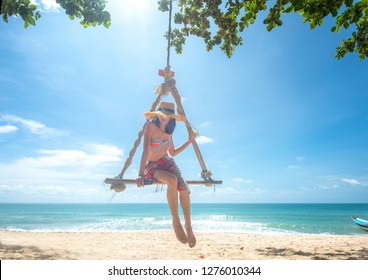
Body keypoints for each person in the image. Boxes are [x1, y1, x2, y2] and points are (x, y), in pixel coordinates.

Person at [136, 102, 196, 248]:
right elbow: (145, 150)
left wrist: (189, 142)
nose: (164, 118)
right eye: (162, 115)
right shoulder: (150, 126)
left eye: (167, 116)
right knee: (172, 180)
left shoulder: (169, 132)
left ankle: (188, 226)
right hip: (152, 165)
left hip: (167, 162)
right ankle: (176, 221)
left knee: (184, 188)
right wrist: (140, 174)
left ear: (171, 118)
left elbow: (173, 152)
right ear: (157, 115)